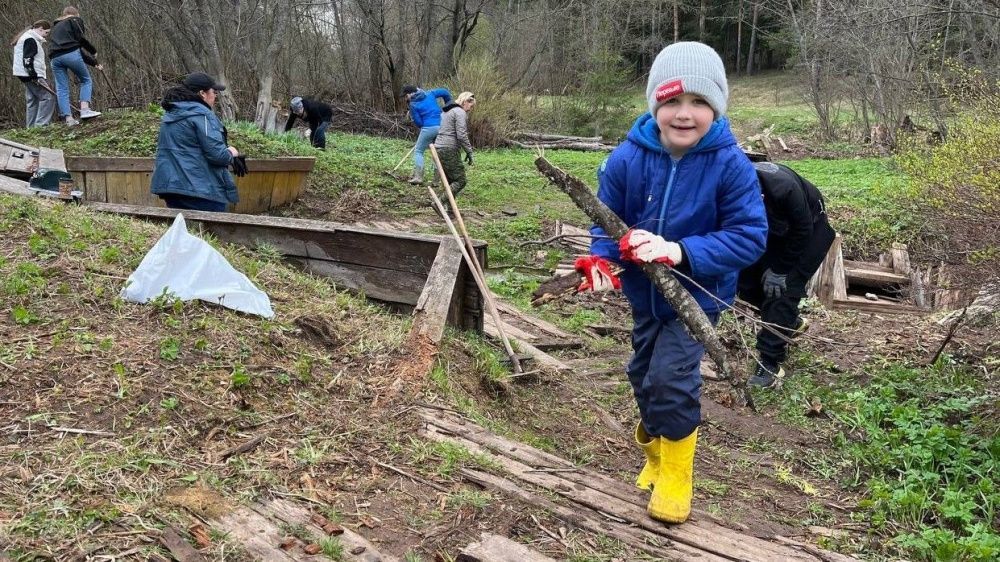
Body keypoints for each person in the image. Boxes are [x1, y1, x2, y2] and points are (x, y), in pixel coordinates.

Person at [575, 42, 767, 524]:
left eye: (699, 103)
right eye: (672, 101)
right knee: (642, 376)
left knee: (671, 379)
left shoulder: (731, 165)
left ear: (716, 107)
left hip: (699, 296)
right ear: (654, 104)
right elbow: (606, 220)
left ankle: (679, 476)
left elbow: (750, 236)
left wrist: (680, 251)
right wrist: (601, 260)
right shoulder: (626, 158)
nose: (685, 114)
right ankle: (657, 456)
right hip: (646, 296)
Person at [738, 162, 835, 388]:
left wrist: (780, 270)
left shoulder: (784, 189)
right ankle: (788, 322)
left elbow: (803, 231)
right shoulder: (731, 184)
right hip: (773, 230)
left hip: (809, 231)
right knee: (746, 282)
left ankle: (770, 365)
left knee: (782, 291)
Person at [150, 72, 241, 212]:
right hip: (201, 191)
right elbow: (217, 155)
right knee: (213, 232)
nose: (215, 95)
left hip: (173, 189)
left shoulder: (171, 114)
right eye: (214, 91)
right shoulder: (202, 115)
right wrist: (231, 152)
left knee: (185, 231)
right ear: (202, 93)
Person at [49, 6, 102, 125]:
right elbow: (80, 40)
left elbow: (76, 49)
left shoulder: (56, 27)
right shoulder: (74, 20)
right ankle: (85, 110)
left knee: (62, 88)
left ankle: (69, 119)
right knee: (86, 80)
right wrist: (93, 50)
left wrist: (93, 63)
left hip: (54, 58)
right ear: (75, 14)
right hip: (71, 54)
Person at [401, 84, 453, 184]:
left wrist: (424, 127)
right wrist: (448, 105)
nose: (405, 98)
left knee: (418, 151)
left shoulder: (413, 104)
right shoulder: (430, 93)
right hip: (441, 126)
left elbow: (419, 122)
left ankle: (418, 177)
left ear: (411, 93)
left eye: (406, 95)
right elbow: (445, 91)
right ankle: (436, 181)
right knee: (437, 152)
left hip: (428, 127)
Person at [11, 20, 55, 127]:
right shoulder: (30, 39)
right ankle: (41, 125)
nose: (46, 35)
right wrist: (34, 76)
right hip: (31, 74)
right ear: (40, 29)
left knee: (33, 99)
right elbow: (27, 59)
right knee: (48, 97)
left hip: (23, 74)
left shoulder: (26, 37)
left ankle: (31, 127)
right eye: (46, 32)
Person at [433, 91, 476, 196]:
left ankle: (450, 210)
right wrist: (469, 151)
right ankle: (439, 202)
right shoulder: (459, 112)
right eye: (471, 105)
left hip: (438, 148)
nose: (470, 109)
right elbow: (461, 135)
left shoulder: (446, 112)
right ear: (465, 101)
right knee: (460, 181)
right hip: (449, 149)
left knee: (450, 182)